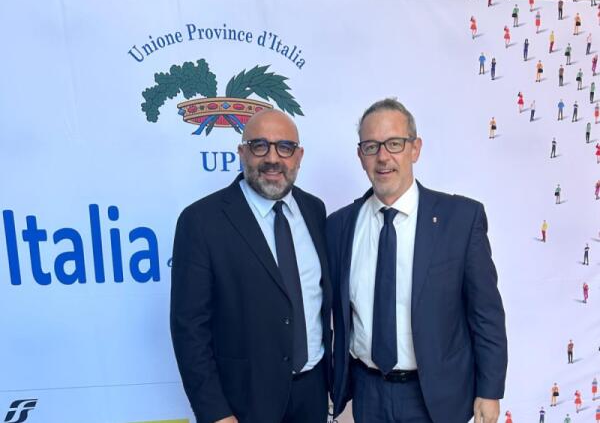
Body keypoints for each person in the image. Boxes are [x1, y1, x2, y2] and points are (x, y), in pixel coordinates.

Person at [327, 98, 507, 423]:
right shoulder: (339, 226)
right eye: (371, 147)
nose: (383, 157)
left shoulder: (460, 219)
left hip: (436, 396)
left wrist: (490, 390)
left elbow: (486, 314)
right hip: (367, 393)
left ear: (415, 149)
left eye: (394, 143)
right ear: (361, 156)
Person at [170, 110, 332, 423]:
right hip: (243, 404)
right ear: (242, 152)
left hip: (312, 394)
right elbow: (189, 328)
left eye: (284, 147)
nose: (272, 158)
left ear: (298, 156)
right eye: (260, 146)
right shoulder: (201, 221)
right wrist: (215, 413)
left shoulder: (314, 210)